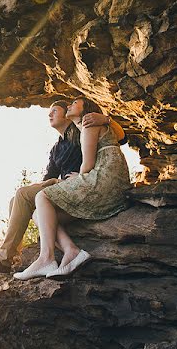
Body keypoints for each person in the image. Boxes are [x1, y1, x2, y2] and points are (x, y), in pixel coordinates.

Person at [0, 100, 125, 274]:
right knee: (18, 200)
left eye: (55, 110)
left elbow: (121, 138)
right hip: (63, 185)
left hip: (84, 183)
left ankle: (4, 259)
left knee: (22, 194)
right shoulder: (56, 148)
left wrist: (105, 119)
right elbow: (49, 177)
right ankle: (12, 257)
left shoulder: (82, 126)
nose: (49, 114)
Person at [13, 96, 132, 280]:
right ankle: (71, 251)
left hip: (105, 180)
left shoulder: (89, 123)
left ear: (86, 109)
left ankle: (46, 258)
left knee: (42, 197)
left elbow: (88, 165)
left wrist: (78, 178)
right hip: (105, 181)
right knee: (39, 214)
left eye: (74, 103)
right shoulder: (71, 136)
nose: (69, 105)